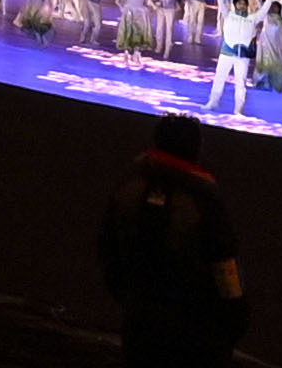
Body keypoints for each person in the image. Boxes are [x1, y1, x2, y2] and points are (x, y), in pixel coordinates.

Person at [93, 116, 245, 368]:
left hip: (140, 322)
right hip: (195, 332)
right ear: (196, 149)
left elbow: (108, 251)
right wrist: (235, 316)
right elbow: (224, 264)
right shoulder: (204, 201)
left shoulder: (129, 190)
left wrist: (130, 299)